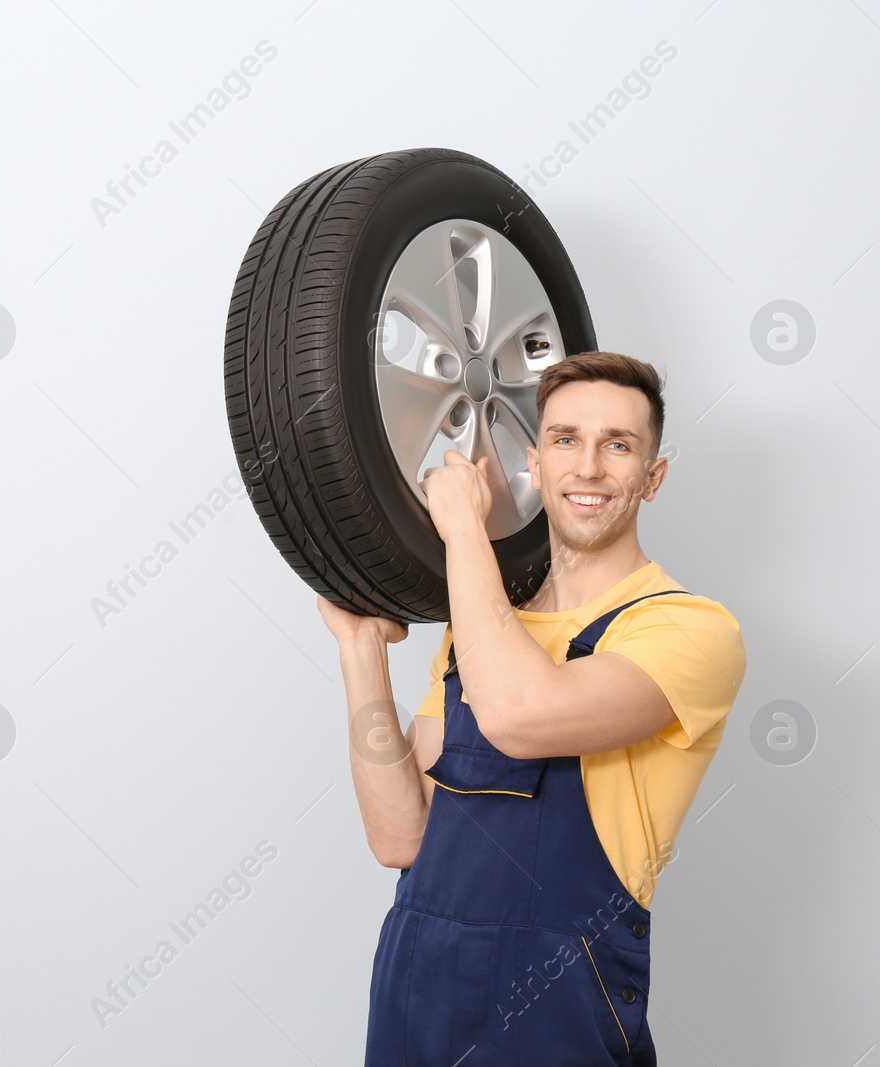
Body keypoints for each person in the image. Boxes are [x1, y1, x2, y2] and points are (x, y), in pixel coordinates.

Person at [318, 351, 746, 1065]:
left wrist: (463, 532)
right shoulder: (483, 632)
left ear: (652, 477)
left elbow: (520, 716)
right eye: (566, 440)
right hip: (415, 996)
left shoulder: (690, 630)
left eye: (619, 445)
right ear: (534, 463)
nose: (588, 467)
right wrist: (361, 651)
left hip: (556, 1015)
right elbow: (399, 838)